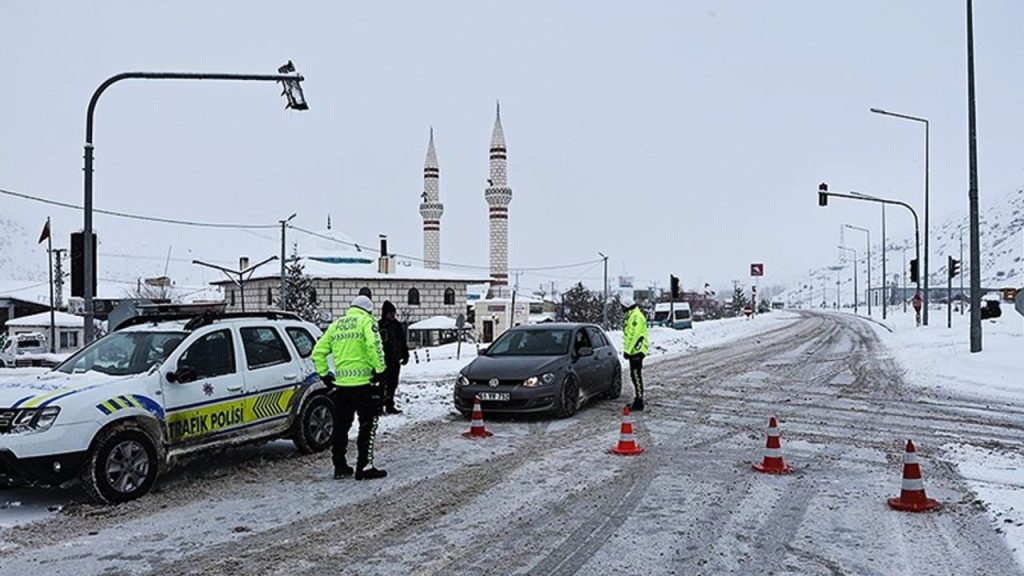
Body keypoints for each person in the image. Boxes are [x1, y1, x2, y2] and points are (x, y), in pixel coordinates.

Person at [312, 295, 388, 480]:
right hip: (364, 386)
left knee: (341, 427)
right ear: (368, 310)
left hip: (341, 387)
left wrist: (324, 374)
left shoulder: (336, 325)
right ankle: (364, 466)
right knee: (367, 426)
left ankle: (340, 466)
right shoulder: (367, 321)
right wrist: (380, 370)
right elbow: (374, 346)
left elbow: (318, 352)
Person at [378, 300, 410, 415]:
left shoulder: (397, 325)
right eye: (390, 313)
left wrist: (405, 354)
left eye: (393, 312)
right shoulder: (380, 325)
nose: (392, 315)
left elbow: (402, 341)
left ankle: (389, 405)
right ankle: (379, 406)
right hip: (383, 360)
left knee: (393, 383)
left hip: (395, 360)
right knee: (382, 384)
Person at [622, 296, 649, 411]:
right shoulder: (633, 315)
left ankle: (639, 402)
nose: (621, 309)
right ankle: (638, 399)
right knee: (634, 375)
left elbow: (633, 335)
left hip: (636, 351)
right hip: (635, 350)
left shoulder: (635, 317)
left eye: (622, 307)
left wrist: (627, 351)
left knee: (636, 376)